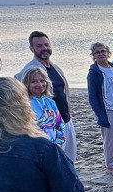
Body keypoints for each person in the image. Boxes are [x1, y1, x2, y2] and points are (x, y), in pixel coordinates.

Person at [16, 32, 78, 162]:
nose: (44, 48)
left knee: (69, 159)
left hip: (65, 119)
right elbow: (21, 98)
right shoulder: (29, 70)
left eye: (46, 44)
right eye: (39, 45)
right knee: (55, 161)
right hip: (47, 126)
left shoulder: (54, 67)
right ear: (32, 49)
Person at [87, 42, 113, 174]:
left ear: (108, 53)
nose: (101, 54)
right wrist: (99, 114)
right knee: (110, 138)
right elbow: (92, 96)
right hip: (108, 109)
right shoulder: (94, 72)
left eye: (103, 51)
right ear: (93, 55)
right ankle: (110, 165)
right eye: (97, 52)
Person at [22, 67, 65, 147]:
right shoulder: (25, 104)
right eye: (34, 82)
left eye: (42, 81)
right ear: (26, 84)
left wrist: (58, 142)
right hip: (36, 147)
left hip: (55, 145)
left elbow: (59, 124)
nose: (40, 85)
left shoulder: (50, 102)